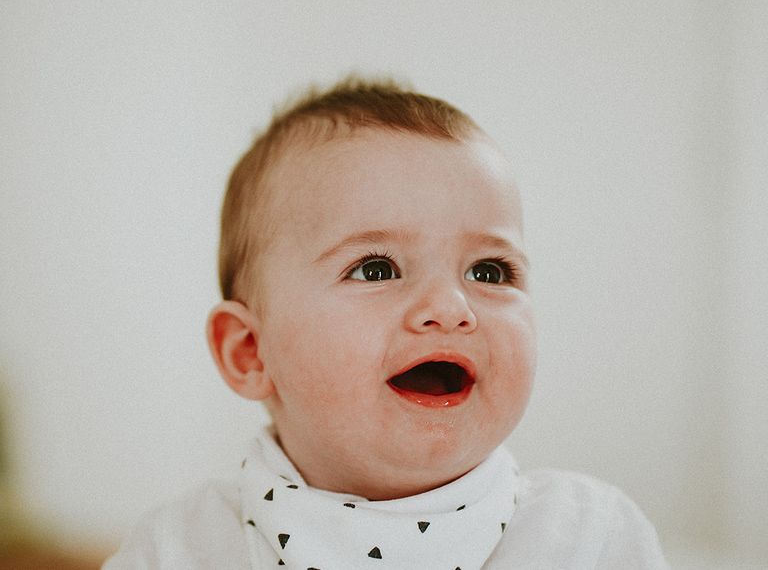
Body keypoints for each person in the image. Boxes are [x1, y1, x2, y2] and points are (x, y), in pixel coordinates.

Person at [104, 79, 669, 569]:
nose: (450, 307)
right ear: (251, 352)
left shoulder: (588, 538)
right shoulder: (182, 548)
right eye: (377, 268)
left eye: (489, 270)